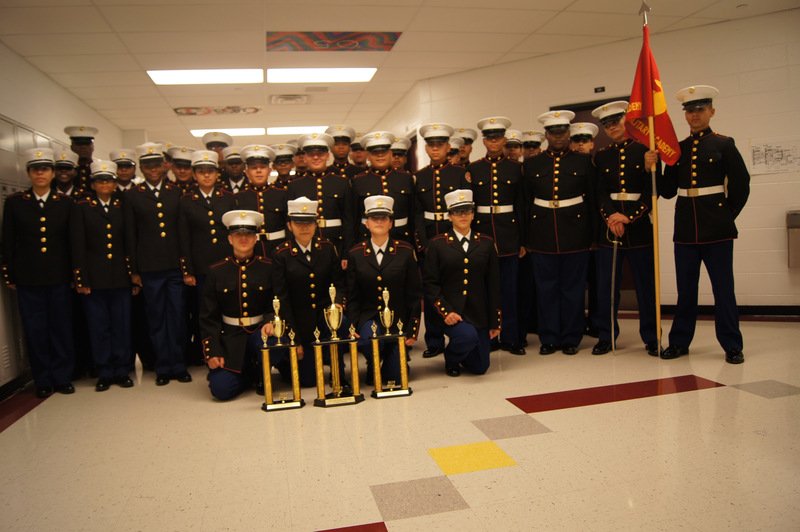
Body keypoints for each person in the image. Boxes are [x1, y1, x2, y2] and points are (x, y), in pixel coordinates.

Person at [654, 85, 750, 364]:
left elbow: (741, 186)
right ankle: (679, 342)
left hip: (717, 231)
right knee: (686, 291)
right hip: (685, 230)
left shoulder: (724, 144)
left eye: (699, 109)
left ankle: (732, 345)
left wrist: (725, 216)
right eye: (689, 110)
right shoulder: (678, 149)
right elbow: (668, 190)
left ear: (711, 111)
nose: (694, 115)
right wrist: (655, 166)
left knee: (723, 290)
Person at [2, 148, 75, 397]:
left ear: (53, 173)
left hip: (59, 277)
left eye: (45, 169)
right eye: (36, 169)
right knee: (35, 330)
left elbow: (72, 242)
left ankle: (63, 377)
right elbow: (8, 242)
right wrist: (10, 275)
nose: (40, 174)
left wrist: (75, 275)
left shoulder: (64, 203)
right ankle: (42, 379)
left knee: (61, 329)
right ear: (29, 174)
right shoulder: (15, 203)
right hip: (28, 278)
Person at [522, 110, 596, 355]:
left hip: (576, 233)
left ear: (569, 133)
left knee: (573, 289)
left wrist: (593, 237)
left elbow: (592, 201)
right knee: (546, 289)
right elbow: (525, 202)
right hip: (541, 234)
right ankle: (549, 337)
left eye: (562, 131)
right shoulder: (532, 164)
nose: (558, 137)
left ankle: (572, 337)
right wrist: (526, 238)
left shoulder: (584, 161)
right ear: (546, 135)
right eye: (553, 132)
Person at [591, 101, 659, 356]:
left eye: (616, 122)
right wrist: (611, 217)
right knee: (607, 288)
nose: (612, 128)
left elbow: (653, 190)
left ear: (626, 122)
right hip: (610, 230)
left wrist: (628, 217)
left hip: (639, 228)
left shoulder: (646, 151)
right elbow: (599, 193)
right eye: (607, 125)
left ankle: (651, 337)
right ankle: (607, 336)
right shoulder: (603, 155)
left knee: (646, 288)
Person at [123, 142, 190, 385]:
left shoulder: (177, 192)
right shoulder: (133, 195)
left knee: (177, 317)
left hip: (174, 265)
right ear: (141, 167)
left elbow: (183, 231)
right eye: (147, 165)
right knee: (156, 319)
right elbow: (130, 235)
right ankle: (163, 367)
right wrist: (134, 271)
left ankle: (179, 365)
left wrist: (186, 266)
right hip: (150, 269)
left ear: (164, 166)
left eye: (156, 164)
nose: (152, 169)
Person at [71, 160, 135, 391]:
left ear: (115, 183)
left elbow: (130, 241)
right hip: (94, 279)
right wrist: (81, 279)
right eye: (100, 180)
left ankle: (122, 370)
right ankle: (104, 371)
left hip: (120, 277)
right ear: (93, 184)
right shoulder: (82, 206)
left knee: (122, 326)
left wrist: (133, 274)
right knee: (99, 327)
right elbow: (78, 245)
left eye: (109, 180)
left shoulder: (122, 204)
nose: (105, 184)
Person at [423, 189, 501, 377]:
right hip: (451, 313)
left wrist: (495, 322)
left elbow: (493, 284)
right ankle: (452, 358)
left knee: (480, 367)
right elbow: (431, 284)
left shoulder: (486, 243)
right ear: (449, 216)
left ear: (473, 214)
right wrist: (446, 311)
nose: (463, 215)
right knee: (466, 337)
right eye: (458, 212)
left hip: (478, 312)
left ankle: (465, 349)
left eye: (467, 211)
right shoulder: (437, 244)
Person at [345, 196, 422, 385]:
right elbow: (352, 295)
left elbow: (414, 295)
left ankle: (396, 356)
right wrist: (353, 325)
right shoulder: (356, 253)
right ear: (366, 223)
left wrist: (412, 331)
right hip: (368, 318)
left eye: (383, 218)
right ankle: (373, 361)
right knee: (366, 341)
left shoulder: (405, 251)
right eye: (374, 218)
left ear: (391, 223)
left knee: (394, 378)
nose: (379, 222)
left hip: (398, 320)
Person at [271, 197, 346, 387]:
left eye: (309, 223)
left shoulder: (328, 249)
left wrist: (336, 302)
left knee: (342, 322)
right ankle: (286, 362)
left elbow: (338, 282)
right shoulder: (282, 254)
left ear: (316, 224)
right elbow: (282, 298)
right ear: (289, 225)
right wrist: (293, 338)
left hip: (325, 316)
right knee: (308, 382)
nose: (304, 227)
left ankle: (338, 366)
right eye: (298, 223)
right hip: (299, 322)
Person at [201, 210, 275, 400]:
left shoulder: (268, 267)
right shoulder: (216, 271)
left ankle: (260, 370)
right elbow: (209, 317)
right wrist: (213, 351)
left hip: (260, 332)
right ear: (230, 239)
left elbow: (275, 303)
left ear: (256, 238)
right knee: (221, 390)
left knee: (272, 343)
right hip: (230, 337)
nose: (244, 239)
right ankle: (249, 374)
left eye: (249, 234)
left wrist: (270, 321)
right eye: (238, 235)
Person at [469, 116, 526, 355]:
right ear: (484, 141)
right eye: (489, 138)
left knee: (510, 290)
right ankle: (490, 337)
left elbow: (521, 205)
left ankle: (512, 338)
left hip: (509, 235)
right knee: (485, 292)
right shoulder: (473, 168)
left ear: (504, 139)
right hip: (482, 235)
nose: (494, 142)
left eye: (498, 138)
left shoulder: (515, 168)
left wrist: (522, 240)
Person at [413, 122, 470, 359]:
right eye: (431, 145)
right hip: (429, 238)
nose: (435, 149)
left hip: (452, 237)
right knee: (431, 290)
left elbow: (466, 209)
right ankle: (434, 340)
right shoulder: (419, 177)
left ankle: (461, 332)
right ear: (426, 148)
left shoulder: (460, 174)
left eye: (440, 145)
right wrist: (422, 243)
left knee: (456, 286)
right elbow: (416, 213)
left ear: (448, 147)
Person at [178, 150, 236, 366]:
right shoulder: (186, 201)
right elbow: (184, 238)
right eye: (201, 172)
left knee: (228, 309)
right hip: (202, 268)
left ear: (217, 174)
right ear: (195, 175)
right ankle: (208, 353)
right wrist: (187, 270)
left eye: (210, 171)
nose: (206, 176)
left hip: (226, 265)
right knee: (205, 312)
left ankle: (229, 351)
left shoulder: (228, 198)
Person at [287, 133, 353, 262]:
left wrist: (346, 253)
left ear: (328, 156)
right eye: (311, 154)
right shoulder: (294, 185)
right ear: (304, 157)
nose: (316, 157)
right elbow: (289, 222)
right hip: (305, 243)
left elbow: (349, 220)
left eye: (321, 154)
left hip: (336, 243)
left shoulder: (342, 183)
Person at [352, 131, 415, 246]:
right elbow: (354, 217)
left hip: (401, 237)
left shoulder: (406, 178)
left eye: (384, 151)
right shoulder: (358, 181)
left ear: (390, 153)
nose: (380, 155)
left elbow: (413, 213)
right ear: (368, 156)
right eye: (375, 152)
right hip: (368, 239)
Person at [569, 122, 600, 338]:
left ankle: (597, 323)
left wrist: (595, 236)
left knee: (597, 283)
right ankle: (578, 322)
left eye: (585, 141)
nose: (580, 145)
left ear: (592, 143)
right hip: (574, 235)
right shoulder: (569, 167)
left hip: (597, 235)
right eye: (576, 141)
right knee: (576, 284)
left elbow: (596, 204)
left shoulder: (598, 166)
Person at [235, 145, 287, 257]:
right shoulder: (238, 198)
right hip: (252, 252)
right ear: (247, 172)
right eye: (254, 168)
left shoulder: (282, 194)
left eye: (262, 167)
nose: (258, 171)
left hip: (279, 249)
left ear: (269, 170)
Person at [64, 125, 98, 190]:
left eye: (87, 144)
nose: (83, 147)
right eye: (79, 144)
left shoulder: (97, 169)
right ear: (71, 147)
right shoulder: (64, 170)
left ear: (93, 147)